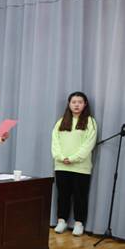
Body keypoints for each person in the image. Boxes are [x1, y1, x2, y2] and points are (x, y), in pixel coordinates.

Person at [51, 92, 98, 237]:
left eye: (80, 102)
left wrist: (73, 158)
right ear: (69, 104)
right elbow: (55, 142)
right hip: (61, 165)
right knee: (63, 195)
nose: (76, 105)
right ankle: (62, 221)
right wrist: (61, 157)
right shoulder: (61, 121)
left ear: (85, 104)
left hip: (81, 167)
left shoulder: (90, 122)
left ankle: (79, 223)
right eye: (73, 102)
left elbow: (89, 144)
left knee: (80, 196)